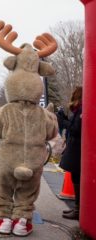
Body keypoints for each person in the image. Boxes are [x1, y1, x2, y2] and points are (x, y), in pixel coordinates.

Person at [59, 86, 82, 220]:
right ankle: (77, 207)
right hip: (75, 147)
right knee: (75, 176)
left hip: (77, 148)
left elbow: (76, 129)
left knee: (77, 176)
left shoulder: (81, 110)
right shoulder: (79, 110)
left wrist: (64, 121)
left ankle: (78, 209)